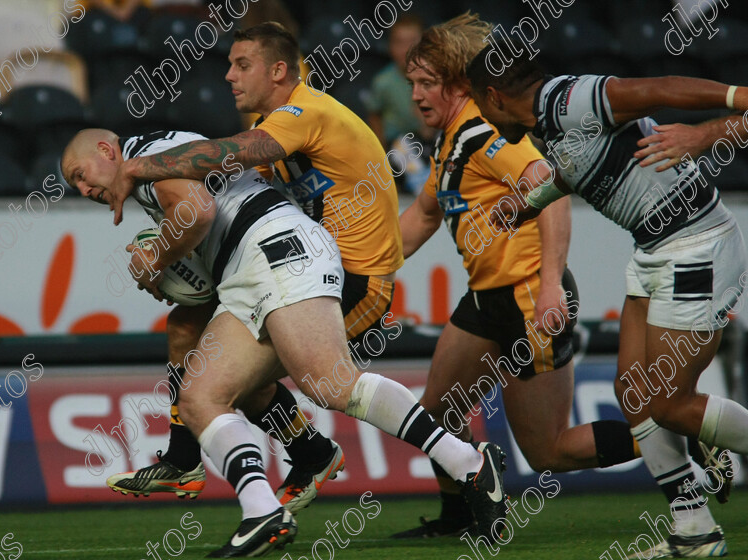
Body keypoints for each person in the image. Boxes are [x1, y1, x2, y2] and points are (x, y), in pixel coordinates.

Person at [62, 127, 509, 556]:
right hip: (252, 268)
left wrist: (155, 259)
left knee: (331, 385)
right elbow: (206, 224)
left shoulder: (144, 157)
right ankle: (263, 512)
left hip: (276, 252)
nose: (81, 188)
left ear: (106, 150)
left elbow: (197, 211)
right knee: (201, 397)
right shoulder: (158, 159)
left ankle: (467, 463)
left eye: (79, 174)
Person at [104, 22, 410, 514]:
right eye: (229, 64)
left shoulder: (301, 112)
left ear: (279, 70)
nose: (228, 75)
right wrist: (168, 257)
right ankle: (190, 461)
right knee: (188, 326)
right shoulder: (282, 125)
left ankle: (313, 463)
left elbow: (230, 153)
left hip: (350, 283)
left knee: (235, 379)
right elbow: (234, 203)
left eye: (242, 64)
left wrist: (140, 166)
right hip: (304, 273)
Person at [467, 45, 748, 558]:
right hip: (655, 249)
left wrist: (721, 115)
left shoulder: (569, 100)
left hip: (696, 245)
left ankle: (699, 514)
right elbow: (573, 169)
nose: (482, 117)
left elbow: (654, 86)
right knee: (635, 392)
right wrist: (525, 203)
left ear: (493, 97)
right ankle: (695, 529)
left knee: (668, 402)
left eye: (479, 106)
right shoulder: (553, 123)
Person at [392, 11, 639, 539]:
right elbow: (426, 215)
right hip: (488, 299)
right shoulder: (450, 138)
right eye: (412, 82)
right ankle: (459, 514)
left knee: (548, 450)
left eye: (426, 83)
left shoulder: (483, 133)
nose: (415, 94)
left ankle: (675, 436)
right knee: (435, 412)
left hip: (530, 297)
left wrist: (550, 284)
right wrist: (364, 269)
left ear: (461, 85)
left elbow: (551, 195)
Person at [366, 14, 433, 193]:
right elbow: (375, 119)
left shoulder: (433, 77)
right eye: (399, 42)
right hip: (398, 145)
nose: (406, 49)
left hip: (428, 140)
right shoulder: (383, 81)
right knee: (401, 149)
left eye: (412, 41)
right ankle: (422, 188)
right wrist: (380, 158)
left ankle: (435, 181)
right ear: (390, 46)